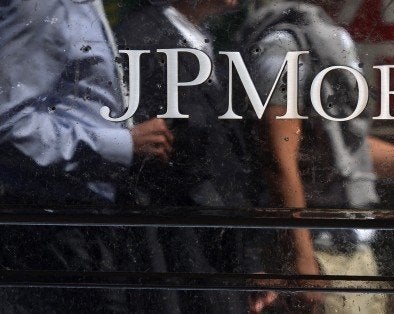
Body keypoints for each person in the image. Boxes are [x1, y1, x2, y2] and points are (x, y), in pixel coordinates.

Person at [238, 2, 394, 312]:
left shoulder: (328, 39)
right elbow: (279, 159)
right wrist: (302, 261)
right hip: (321, 255)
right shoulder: (282, 47)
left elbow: (346, 153)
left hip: (348, 249)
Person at [0, 0, 173, 311]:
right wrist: (122, 145)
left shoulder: (84, 6)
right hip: (55, 232)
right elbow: (9, 125)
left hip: (88, 229)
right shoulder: (40, 5)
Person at [114, 1, 274, 312]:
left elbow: (223, 161)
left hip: (212, 256)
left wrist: (247, 261)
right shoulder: (142, 40)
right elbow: (178, 165)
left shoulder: (198, 38)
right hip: (181, 259)